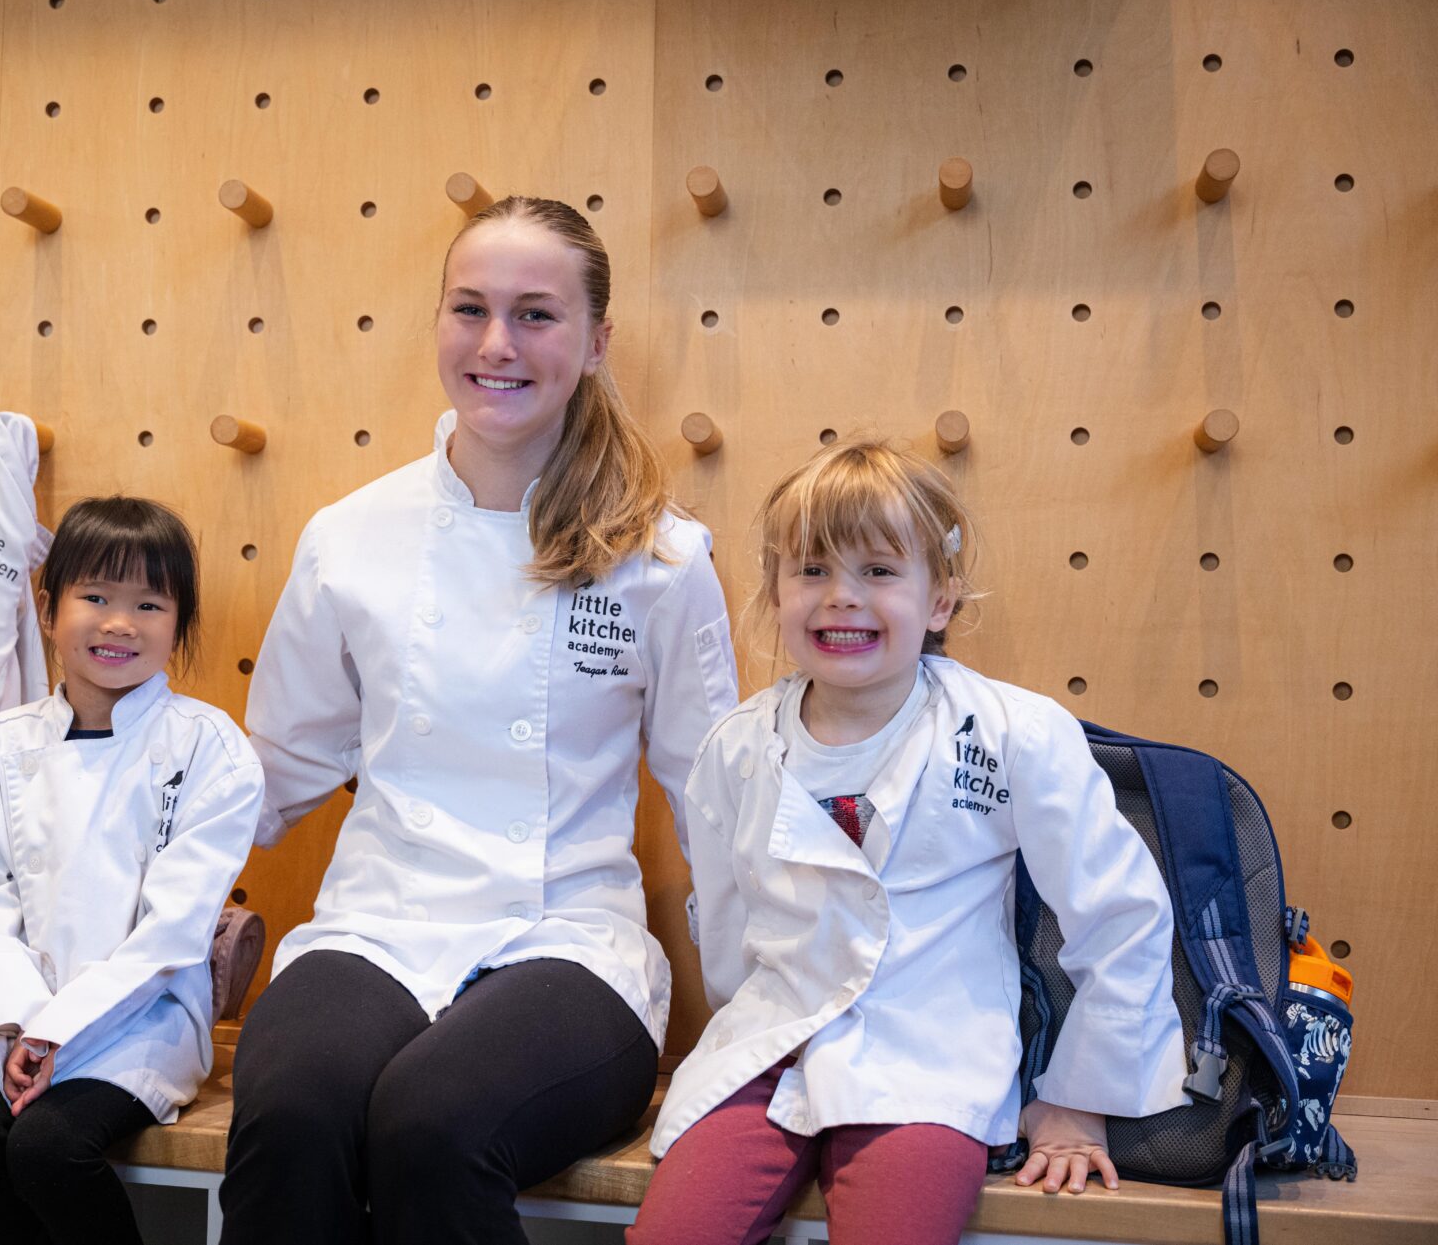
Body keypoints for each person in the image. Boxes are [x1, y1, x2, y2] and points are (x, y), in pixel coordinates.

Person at [221, 197, 739, 1245]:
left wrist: (764, 1013)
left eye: (537, 315)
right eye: (471, 309)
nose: (497, 344)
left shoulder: (663, 559)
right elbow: (267, 777)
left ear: (597, 342)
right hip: (378, 924)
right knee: (291, 1114)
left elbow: (714, 805)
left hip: (569, 942)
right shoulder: (351, 538)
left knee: (432, 1122)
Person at [627, 440, 1188, 1245]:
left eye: (880, 572)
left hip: (928, 1062)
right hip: (771, 1051)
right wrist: (749, 1025)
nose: (840, 598)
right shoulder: (736, 747)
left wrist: (1077, 1099)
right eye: (811, 570)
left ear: (941, 600)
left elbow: (1120, 914)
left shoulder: (1014, 734)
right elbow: (725, 925)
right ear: (775, 594)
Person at [0, 496, 264, 1245]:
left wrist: (62, 1029)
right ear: (48, 607)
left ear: (179, 623)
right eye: (95, 596)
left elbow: (172, 931)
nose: (119, 622)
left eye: (148, 603)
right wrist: (22, 1027)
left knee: (48, 1149)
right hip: (7, 1012)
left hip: (142, 1017)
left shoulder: (210, 751)